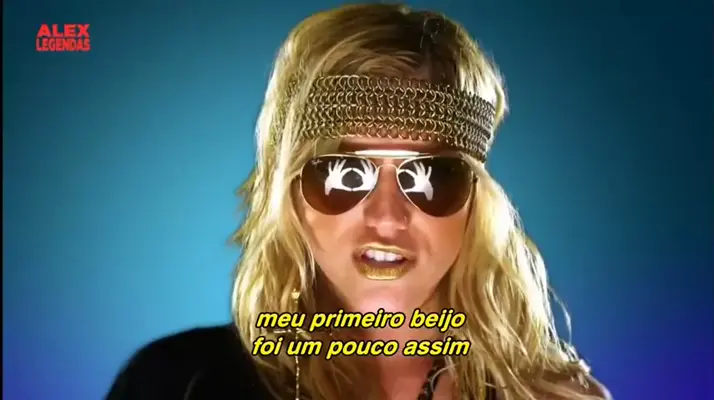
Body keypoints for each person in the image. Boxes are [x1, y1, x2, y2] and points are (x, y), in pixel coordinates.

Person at [107, 4, 612, 400]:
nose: (387, 218)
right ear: (289, 194)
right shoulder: (178, 386)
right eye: (344, 175)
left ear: (476, 202)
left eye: (429, 176)